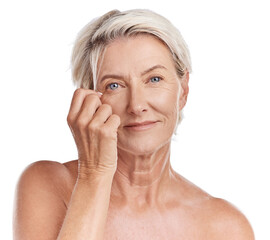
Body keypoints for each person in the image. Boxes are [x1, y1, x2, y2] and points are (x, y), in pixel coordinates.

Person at [13, 9, 255, 240]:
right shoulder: (46, 185)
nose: (137, 105)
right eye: (114, 85)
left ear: (184, 90)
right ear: (90, 99)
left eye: (154, 79)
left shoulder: (226, 227)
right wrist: (94, 173)